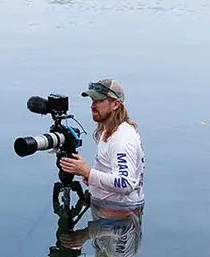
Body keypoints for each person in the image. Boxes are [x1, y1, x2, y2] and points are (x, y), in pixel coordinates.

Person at [58, 78, 145, 210]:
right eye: (92, 100)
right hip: (108, 210)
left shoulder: (122, 140)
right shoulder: (109, 130)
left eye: (99, 101)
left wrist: (89, 173)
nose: (93, 106)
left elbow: (126, 183)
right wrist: (92, 177)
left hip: (119, 216)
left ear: (115, 104)